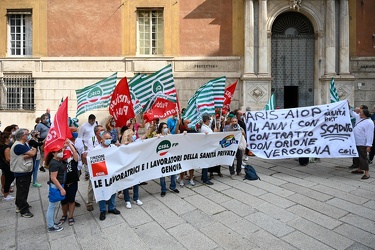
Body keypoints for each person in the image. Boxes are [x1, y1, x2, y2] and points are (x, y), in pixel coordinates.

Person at [10, 129, 37, 218]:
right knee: (23, 191)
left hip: (25, 170)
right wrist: (33, 151)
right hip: (22, 171)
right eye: (27, 134)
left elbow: (27, 154)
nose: (28, 135)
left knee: (22, 190)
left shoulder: (23, 144)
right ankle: (24, 210)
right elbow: (32, 153)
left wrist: (29, 154)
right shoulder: (19, 146)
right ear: (22, 136)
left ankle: (19, 205)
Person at [95, 131, 121, 221]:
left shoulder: (113, 147)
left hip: (112, 173)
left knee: (113, 190)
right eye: (106, 138)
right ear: (102, 139)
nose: (108, 140)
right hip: (101, 175)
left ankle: (111, 207)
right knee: (102, 191)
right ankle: (102, 210)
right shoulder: (96, 149)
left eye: (110, 138)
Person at [81, 125, 105, 211]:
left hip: (104, 164)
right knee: (92, 184)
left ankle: (104, 198)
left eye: (103, 129)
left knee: (104, 182)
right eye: (101, 130)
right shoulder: (92, 140)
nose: (103, 131)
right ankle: (89, 202)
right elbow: (92, 152)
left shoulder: (105, 139)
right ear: (96, 132)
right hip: (94, 165)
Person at [45, 145, 66, 232]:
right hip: (56, 186)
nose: (61, 152)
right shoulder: (54, 163)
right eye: (59, 151)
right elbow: (53, 178)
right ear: (53, 153)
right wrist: (61, 189)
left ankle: (52, 223)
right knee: (52, 206)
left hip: (57, 185)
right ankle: (50, 225)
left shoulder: (57, 160)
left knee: (53, 206)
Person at [156, 122, 180, 196]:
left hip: (170, 158)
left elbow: (178, 139)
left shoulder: (170, 136)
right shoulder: (158, 137)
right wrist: (156, 137)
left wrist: (183, 134)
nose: (165, 129)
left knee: (174, 172)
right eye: (164, 127)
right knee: (162, 175)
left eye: (166, 127)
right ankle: (163, 189)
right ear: (160, 129)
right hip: (162, 159)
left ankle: (173, 187)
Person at [59, 140, 79, 226]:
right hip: (62, 184)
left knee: (71, 200)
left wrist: (69, 144)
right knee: (63, 201)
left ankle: (71, 216)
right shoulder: (59, 162)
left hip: (72, 183)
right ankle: (64, 214)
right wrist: (63, 147)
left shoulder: (73, 161)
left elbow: (74, 152)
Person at [121, 129, 143, 209]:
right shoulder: (123, 146)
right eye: (132, 134)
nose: (134, 135)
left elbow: (144, 137)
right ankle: (127, 200)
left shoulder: (136, 143)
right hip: (127, 166)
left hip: (135, 166)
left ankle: (136, 198)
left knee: (136, 182)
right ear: (128, 136)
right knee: (126, 183)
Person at [350, 107, 374, 179]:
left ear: (364, 114)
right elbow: (352, 113)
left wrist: (369, 145)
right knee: (357, 157)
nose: (359, 113)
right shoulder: (360, 118)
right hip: (357, 142)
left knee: (363, 158)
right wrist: (349, 106)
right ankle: (359, 169)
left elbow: (369, 135)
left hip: (362, 143)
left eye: (360, 112)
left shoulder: (369, 123)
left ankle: (367, 173)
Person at [200, 114, 218, 185]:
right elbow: (210, 136)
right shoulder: (204, 128)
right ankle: (205, 179)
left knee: (206, 163)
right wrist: (215, 132)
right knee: (206, 163)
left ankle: (203, 176)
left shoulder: (206, 127)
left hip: (208, 146)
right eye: (209, 120)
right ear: (206, 120)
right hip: (206, 147)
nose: (209, 121)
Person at [78, 114, 97, 180]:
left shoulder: (96, 124)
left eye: (94, 120)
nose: (93, 122)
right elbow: (80, 136)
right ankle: (87, 172)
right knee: (86, 159)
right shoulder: (84, 126)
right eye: (92, 120)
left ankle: (94, 170)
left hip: (94, 143)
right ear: (89, 120)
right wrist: (82, 145)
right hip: (86, 144)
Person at [0, 132, 15, 201]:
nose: (10, 139)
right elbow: (8, 158)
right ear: (6, 139)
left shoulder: (2, 146)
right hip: (7, 166)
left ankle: (5, 193)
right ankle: (6, 194)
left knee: (7, 179)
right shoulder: (7, 148)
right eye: (9, 137)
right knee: (8, 180)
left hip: (3, 165)